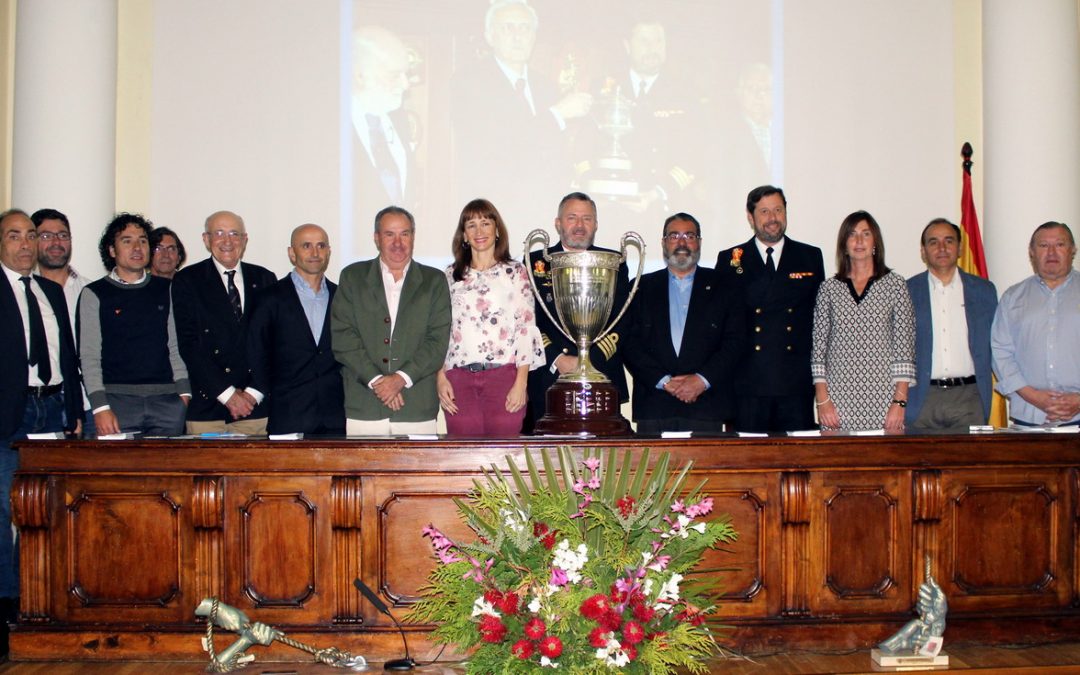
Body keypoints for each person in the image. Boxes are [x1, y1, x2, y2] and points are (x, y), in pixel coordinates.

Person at [0, 209, 81, 623]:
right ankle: (8, 600)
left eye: (30, 236)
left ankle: (41, 595)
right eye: (15, 236)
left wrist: (72, 408)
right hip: (9, 415)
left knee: (47, 505)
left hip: (51, 409)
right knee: (7, 507)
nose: (26, 244)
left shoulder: (48, 292)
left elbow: (66, 354)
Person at [451, 0, 591, 230]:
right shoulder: (468, 83)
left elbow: (553, 152)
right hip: (495, 216)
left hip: (543, 214)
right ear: (489, 35)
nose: (518, 36)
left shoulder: (546, 87)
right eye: (508, 27)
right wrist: (556, 115)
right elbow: (498, 146)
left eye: (525, 28)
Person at [331, 206, 450, 434]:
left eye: (404, 234)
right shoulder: (352, 277)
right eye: (389, 234)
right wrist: (378, 381)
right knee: (362, 471)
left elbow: (437, 342)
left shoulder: (433, 281)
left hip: (416, 406)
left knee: (416, 471)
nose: (398, 242)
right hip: (364, 405)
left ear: (413, 237)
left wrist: (400, 380)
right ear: (376, 238)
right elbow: (343, 338)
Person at [715, 186, 825, 432]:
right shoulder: (730, 259)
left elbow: (819, 322)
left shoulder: (810, 256)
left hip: (795, 384)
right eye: (764, 211)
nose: (773, 218)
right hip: (747, 384)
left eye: (778, 210)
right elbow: (723, 325)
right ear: (750, 217)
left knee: (796, 463)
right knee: (749, 464)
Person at [623, 213, 743, 433]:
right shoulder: (640, 287)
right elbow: (629, 343)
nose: (681, 242)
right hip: (655, 405)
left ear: (699, 242)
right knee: (652, 469)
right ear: (663, 242)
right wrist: (664, 381)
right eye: (674, 236)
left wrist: (701, 380)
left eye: (689, 235)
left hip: (707, 407)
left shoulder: (724, 286)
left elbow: (734, 342)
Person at [436, 199, 544, 436]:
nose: (479, 231)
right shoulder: (448, 276)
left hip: (504, 378)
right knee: (463, 460)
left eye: (485, 223)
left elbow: (526, 327)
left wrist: (521, 382)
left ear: (497, 230)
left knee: (503, 462)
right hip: (458, 380)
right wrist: (440, 378)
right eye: (471, 225)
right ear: (464, 235)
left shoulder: (515, 272)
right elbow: (438, 331)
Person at [524, 192, 629, 431]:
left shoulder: (614, 262)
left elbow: (622, 319)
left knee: (603, 461)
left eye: (587, 218)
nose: (580, 225)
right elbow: (527, 318)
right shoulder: (534, 263)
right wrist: (556, 358)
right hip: (548, 377)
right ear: (558, 223)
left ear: (596, 224)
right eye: (572, 217)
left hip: (600, 374)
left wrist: (588, 361)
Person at [77, 214, 189, 436]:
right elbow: (89, 356)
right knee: (117, 470)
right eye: (127, 241)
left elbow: (175, 346)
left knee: (166, 471)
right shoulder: (94, 293)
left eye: (143, 240)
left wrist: (184, 395)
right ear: (112, 250)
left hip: (167, 403)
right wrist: (100, 407)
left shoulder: (166, 289)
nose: (137, 247)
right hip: (116, 404)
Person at [171, 211, 277, 435]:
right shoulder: (188, 280)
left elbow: (273, 344)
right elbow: (189, 345)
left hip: (254, 408)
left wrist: (253, 393)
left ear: (245, 240)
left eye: (234, 234)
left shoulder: (265, 279)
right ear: (206, 239)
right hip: (209, 406)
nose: (227, 241)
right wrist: (228, 395)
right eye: (219, 233)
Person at [812, 211, 916, 431]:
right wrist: (822, 401)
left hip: (886, 401)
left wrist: (899, 402)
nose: (859, 241)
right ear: (844, 243)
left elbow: (904, 349)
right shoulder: (829, 289)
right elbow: (818, 351)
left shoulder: (895, 285)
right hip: (836, 402)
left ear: (875, 241)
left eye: (866, 234)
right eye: (852, 234)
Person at [246, 224, 344, 435]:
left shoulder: (343, 298)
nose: (315, 253)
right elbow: (256, 353)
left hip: (335, 417)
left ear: (329, 252)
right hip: (287, 415)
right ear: (292, 253)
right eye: (306, 246)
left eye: (321, 246)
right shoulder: (269, 298)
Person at [906, 218, 998, 431]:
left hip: (969, 397)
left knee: (967, 463)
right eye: (933, 242)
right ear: (923, 251)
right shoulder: (907, 291)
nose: (942, 248)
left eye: (949, 241)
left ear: (959, 249)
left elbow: (997, 344)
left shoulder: (984, 291)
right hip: (921, 398)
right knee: (920, 463)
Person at [991, 221, 1080, 427]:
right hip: (1029, 418)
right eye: (1043, 246)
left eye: (1059, 244)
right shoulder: (1013, 297)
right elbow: (1000, 352)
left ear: (1072, 250)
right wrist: (1034, 397)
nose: (1051, 252)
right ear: (1031, 252)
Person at [32, 208, 96, 437]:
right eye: (46, 236)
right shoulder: (21, 293)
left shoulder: (91, 292)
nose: (56, 242)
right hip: (36, 406)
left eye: (63, 235)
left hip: (90, 408)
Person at [352, 26, 418, 233]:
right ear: (359, 75)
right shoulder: (329, 129)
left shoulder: (399, 120)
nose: (405, 84)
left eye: (406, 74)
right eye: (394, 75)